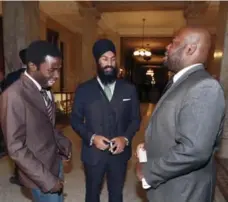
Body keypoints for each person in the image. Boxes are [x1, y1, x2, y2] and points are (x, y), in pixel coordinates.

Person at [135, 27, 225, 202]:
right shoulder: (183, 81)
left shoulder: (204, 87)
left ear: (190, 49)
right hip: (171, 187)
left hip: (184, 192)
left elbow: (194, 150)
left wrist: (148, 170)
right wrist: (151, 146)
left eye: (173, 42)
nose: (167, 47)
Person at [0, 40, 72, 202]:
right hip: (39, 173)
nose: (57, 76)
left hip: (55, 160)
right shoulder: (13, 96)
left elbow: (45, 124)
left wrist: (62, 142)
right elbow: (16, 148)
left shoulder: (45, 87)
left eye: (58, 70)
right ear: (32, 66)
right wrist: (47, 180)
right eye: (52, 70)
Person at [71, 39, 141, 202]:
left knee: (116, 194)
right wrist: (92, 137)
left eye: (112, 59)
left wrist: (125, 138)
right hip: (93, 155)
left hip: (119, 154)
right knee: (92, 193)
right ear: (97, 61)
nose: (109, 63)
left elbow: (135, 119)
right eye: (104, 59)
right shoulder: (84, 89)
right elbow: (75, 120)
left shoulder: (128, 89)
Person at [1, 48, 27, 185]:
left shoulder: (11, 77)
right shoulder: (41, 76)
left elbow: (4, 96)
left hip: (15, 117)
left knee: (17, 146)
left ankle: (20, 176)